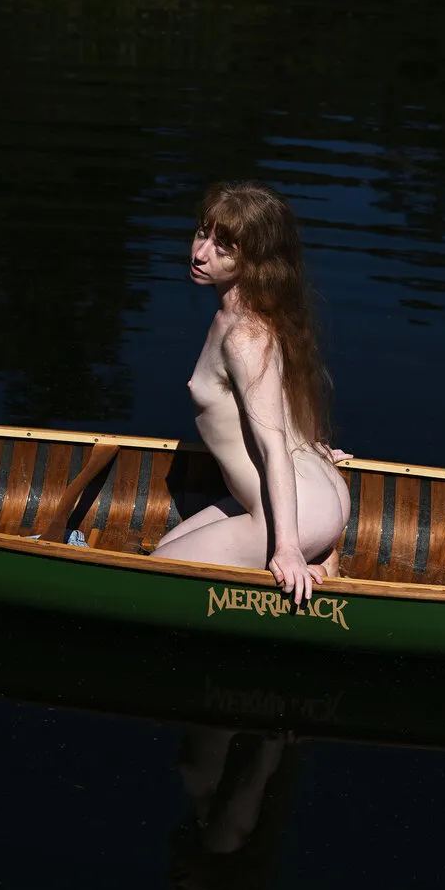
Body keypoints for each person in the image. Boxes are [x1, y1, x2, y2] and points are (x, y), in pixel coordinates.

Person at [152, 181, 351, 604]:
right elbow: (279, 402)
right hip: (317, 493)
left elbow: (273, 445)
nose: (200, 253)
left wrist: (288, 549)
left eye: (223, 247)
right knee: (165, 549)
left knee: (155, 576)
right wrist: (312, 448)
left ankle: (313, 558)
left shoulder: (244, 337)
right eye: (202, 234)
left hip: (299, 517)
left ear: (255, 260)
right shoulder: (258, 315)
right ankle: (320, 550)